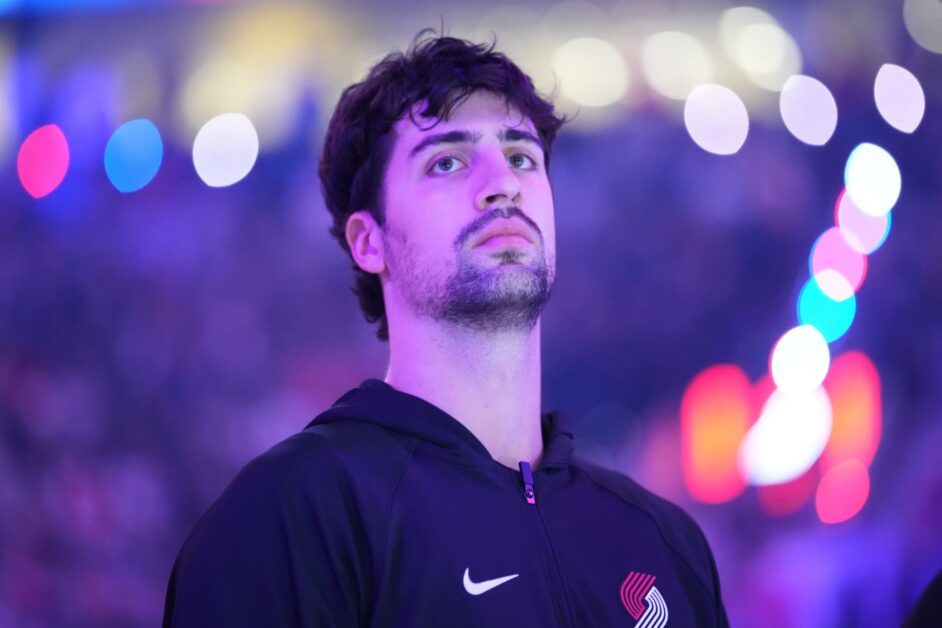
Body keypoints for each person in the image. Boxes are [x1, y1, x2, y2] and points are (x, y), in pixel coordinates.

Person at [163, 31, 729, 627]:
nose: (502, 184)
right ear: (369, 242)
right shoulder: (295, 513)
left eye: (521, 158)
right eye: (447, 162)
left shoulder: (663, 542)